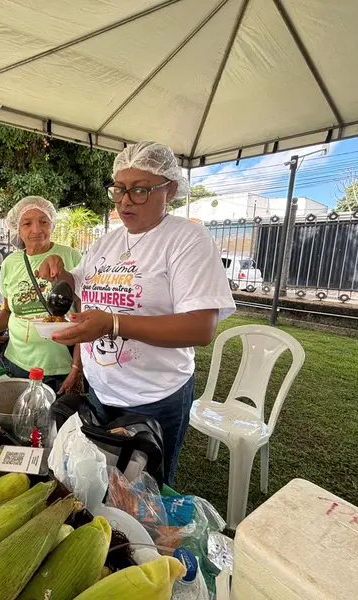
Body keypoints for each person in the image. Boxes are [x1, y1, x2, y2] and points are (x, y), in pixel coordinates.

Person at [38, 142, 236, 486]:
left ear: (169, 190)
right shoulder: (106, 243)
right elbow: (80, 288)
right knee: (101, 482)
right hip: (102, 392)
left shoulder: (186, 239)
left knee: (146, 494)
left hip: (154, 398)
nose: (125, 201)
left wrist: (113, 324)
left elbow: (201, 328)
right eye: (119, 190)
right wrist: (62, 275)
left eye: (140, 190)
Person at [0, 196, 84, 394]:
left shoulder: (71, 256)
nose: (36, 229)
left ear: (52, 224)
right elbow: (8, 311)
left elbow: (85, 314)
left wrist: (77, 367)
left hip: (59, 366)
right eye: (27, 223)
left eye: (43, 221)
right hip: (16, 360)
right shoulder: (10, 263)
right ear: (18, 229)